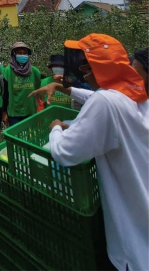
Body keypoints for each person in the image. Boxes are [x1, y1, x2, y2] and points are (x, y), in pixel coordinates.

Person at [29, 33, 148, 271]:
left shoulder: (107, 102)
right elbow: (99, 98)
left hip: (133, 250)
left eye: (86, 66)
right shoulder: (138, 97)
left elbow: (64, 152)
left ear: (98, 68)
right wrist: (66, 89)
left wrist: (55, 129)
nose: (83, 71)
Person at [2, 42, 41, 126]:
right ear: (14, 54)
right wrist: (4, 112)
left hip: (31, 113)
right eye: (19, 53)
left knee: (30, 138)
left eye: (24, 53)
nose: (22, 55)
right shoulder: (8, 71)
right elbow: (5, 94)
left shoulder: (35, 72)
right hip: (14, 114)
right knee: (16, 138)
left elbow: (39, 92)